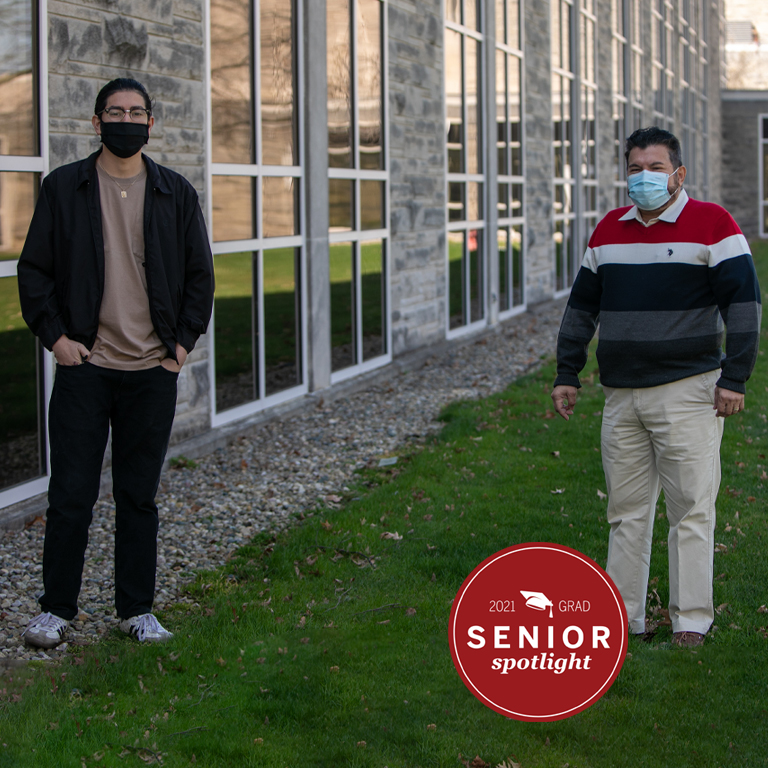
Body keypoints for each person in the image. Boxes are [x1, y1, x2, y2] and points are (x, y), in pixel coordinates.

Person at [17, 78, 215, 647]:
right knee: (70, 495)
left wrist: (179, 349)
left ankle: (136, 610)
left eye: (136, 111)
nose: (126, 119)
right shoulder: (64, 188)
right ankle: (56, 611)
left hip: (152, 372)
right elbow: (34, 272)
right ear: (97, 122)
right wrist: (57, 341)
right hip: (85, 368)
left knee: (138, 497)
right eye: (115, 111)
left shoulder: (175, 192)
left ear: (151, 123)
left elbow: (200, 278)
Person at [551, 127, 761, 648]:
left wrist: (734, 378)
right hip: (622, 395)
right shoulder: (606, 231)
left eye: (655, 168)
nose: (643, 177)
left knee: (690, 508)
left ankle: (691, 620)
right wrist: (566, 371)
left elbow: (744, 307)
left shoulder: (714, 224)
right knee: (626, 512)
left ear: (678, 174)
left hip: (688, 391)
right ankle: (622, 619)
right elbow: (581, 309)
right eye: (635, 168)